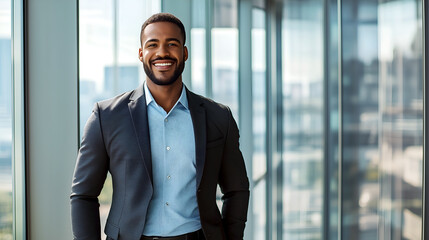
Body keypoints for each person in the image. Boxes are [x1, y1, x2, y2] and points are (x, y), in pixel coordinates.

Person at [71, 13, 249, 240]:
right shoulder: (107, 117)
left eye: (172, 44)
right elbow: (83, 195)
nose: (162, 52)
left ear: (184, 53)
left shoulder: (218, 117)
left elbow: (237, 190)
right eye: (152, 44)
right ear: (141, 53)